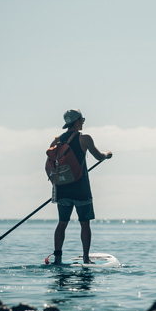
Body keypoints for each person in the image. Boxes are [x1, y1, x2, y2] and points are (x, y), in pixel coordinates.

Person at [50, 109, 112, 265]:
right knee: (84, 223)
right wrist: (107, 154)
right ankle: (85, 258)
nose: (83, 122)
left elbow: (49, 165)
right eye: (82, 119)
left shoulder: (56, 141)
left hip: (62, 189)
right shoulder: (85, 139)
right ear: (77, 121)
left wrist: (56, 185)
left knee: (62, 222)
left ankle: (57, 258)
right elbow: (99, 156)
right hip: (81, 189)